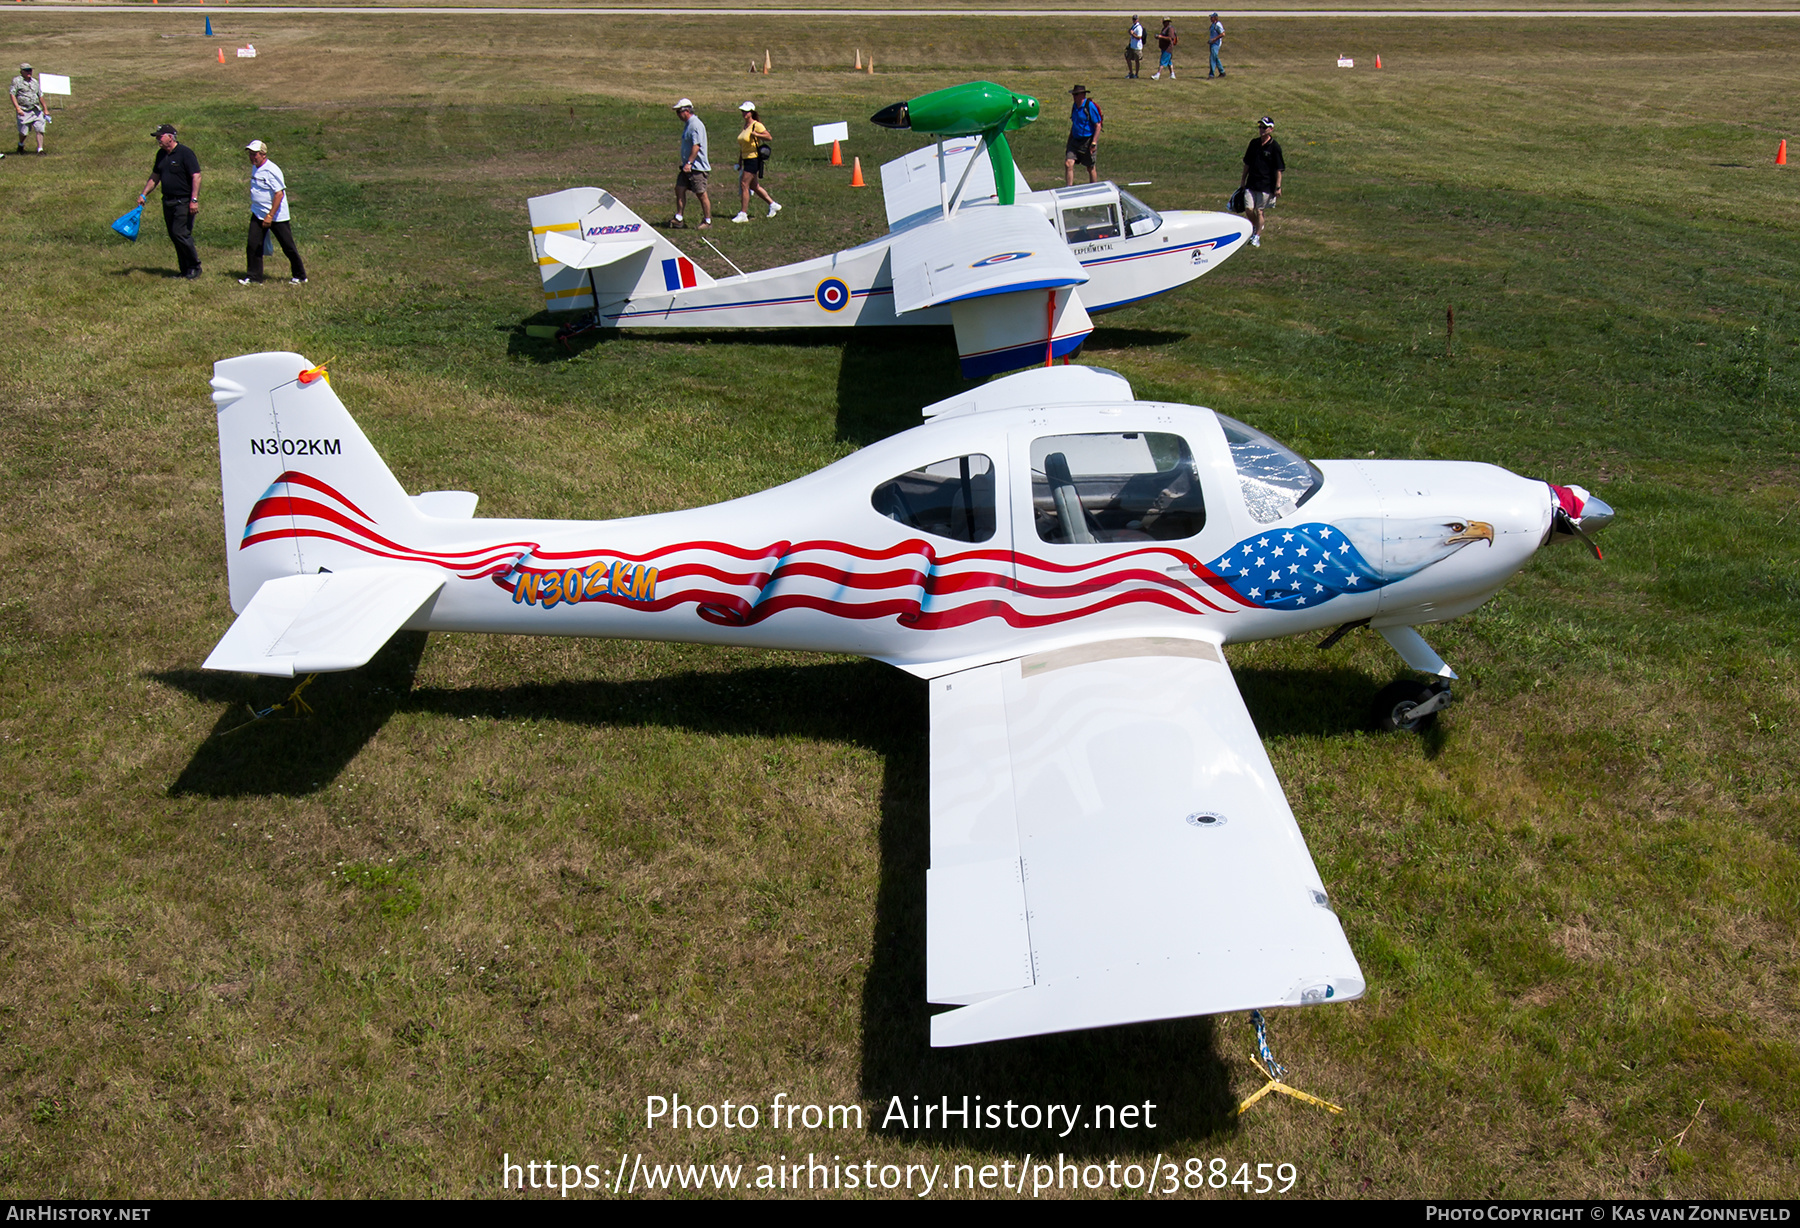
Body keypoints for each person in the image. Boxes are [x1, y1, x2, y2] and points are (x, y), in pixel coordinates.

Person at [138, 124, 203, 279]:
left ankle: (195, 267)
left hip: (183, 201)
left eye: (160, 137)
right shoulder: (161, 154)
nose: (158, 140)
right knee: (174, 235)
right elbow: (155, 176)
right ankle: (185, 270)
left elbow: (196, 176)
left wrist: (194, 200)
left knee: (181, 233)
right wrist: (144, 194)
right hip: (168, 201)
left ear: (170, 137)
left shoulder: (185, 153)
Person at [238, 140, 307, 285]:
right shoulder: (255, 167)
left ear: (263, 154)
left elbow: (279, 194)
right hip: (258, 213)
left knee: (287, 246)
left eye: (254, 154)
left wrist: (270, 216)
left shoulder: (271, 170)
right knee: (253, 245)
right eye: (250, 154)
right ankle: (254, 277)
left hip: (276, 216)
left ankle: (300, 275)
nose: (252, 157)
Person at [731, 101, 782, 223]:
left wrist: (756, 134)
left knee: (744, 184)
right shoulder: (745, 126)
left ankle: (743, 214)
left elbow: (769, 137)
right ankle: (773, 204)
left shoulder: (756, 125)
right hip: (746, 158)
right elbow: (743, 146)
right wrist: (740, 161)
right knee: (754, 186)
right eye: (743, 111)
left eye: (746, 111)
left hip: (753, 158)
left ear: (751, 112)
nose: (744, 113)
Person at [1238, 115, 1284, 248]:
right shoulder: (1254, 144)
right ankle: (1256, 226)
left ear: (1271, 129)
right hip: (1251, 183)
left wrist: (1278, 187)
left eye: (1265, 127)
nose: (1262, 130)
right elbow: (1247, 163)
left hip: (1266, 185)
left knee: (1260, 211)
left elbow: (1279, 169)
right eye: (1260, 127)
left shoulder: (1275, 147)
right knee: (1248, 208)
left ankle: (1256, 235)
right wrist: (1243, 179)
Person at [670, 98, 712, 231]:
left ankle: (707, 220)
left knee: (701, 193)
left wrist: (689, 162)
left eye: (678, 112)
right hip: (687, 167)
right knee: (679, 188)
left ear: (686, 111)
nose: (677, 115)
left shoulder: (695, 125)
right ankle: (679, 218)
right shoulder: (688, 124)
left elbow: (696, 145)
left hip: (696, 167)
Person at [1064, 85, 1103, 186]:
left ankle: (1093, 189)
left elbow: (1098, 125)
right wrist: (1070, 140)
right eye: (1073, 94)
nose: (1074, 96)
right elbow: (1075, 123)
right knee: (1068, 163)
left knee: (1090, 167)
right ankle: (1069, 189)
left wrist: (1094, 142)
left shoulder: (1089, 106)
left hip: (1087, 141)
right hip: (1075, 140)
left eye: (1076, 94)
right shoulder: (1074, 106)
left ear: (1083, 95)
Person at [11, 63, 45, 155]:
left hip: (36, 109)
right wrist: (18, 108)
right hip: (24, 110)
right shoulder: (17, 81)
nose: (29, 72)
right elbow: (12, 94)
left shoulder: (34, 81)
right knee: (24, 132)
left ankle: (40, 149)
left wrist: (45, 109)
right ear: (21, 71)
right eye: (26, 70)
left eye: (30, 70)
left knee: (40, 129)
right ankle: (21, 144)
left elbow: (40, 95)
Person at [1209, 14, 1226, 78]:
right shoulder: (1213, 24)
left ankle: (1211, 74)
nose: (1210, 18)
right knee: (1215, 58)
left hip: (1216, 44)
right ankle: (1222, 72)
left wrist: (1214, 39)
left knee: (1212, 58)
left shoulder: (1218, 25)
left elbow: (1223, 34)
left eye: (1212, 17)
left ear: (1215, 18)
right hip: (1212, 43)